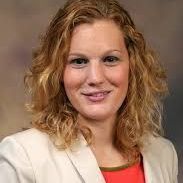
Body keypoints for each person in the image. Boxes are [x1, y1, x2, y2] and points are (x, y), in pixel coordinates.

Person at [0, 0, 178, 182]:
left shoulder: (163, 155)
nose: (96, 78)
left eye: (110, 59)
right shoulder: (24, 156)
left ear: (133, 66)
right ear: (58, 72)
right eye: (79, 61)